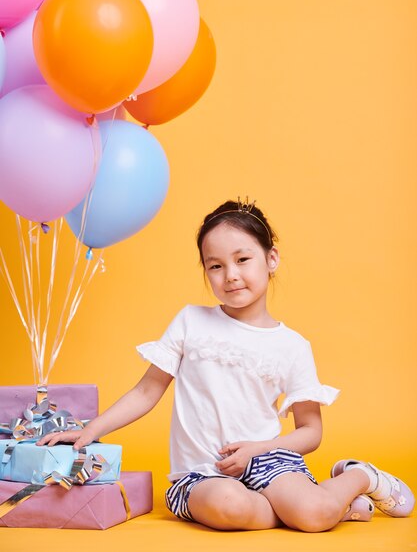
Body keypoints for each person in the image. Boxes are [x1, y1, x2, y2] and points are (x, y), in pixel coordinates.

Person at [38, 198, 415, 532]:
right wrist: (90, 431)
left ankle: (360, 476)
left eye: (242, 259)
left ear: (271, 259)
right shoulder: (191, 321)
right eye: (215, 266)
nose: (230, 275)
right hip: (201, 476)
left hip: (268, 462)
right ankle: (324, 507)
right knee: (229, 506)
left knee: (314, 515)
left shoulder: (293, 346)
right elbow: (146, 390)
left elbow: (310, 432)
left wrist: (258, 449)